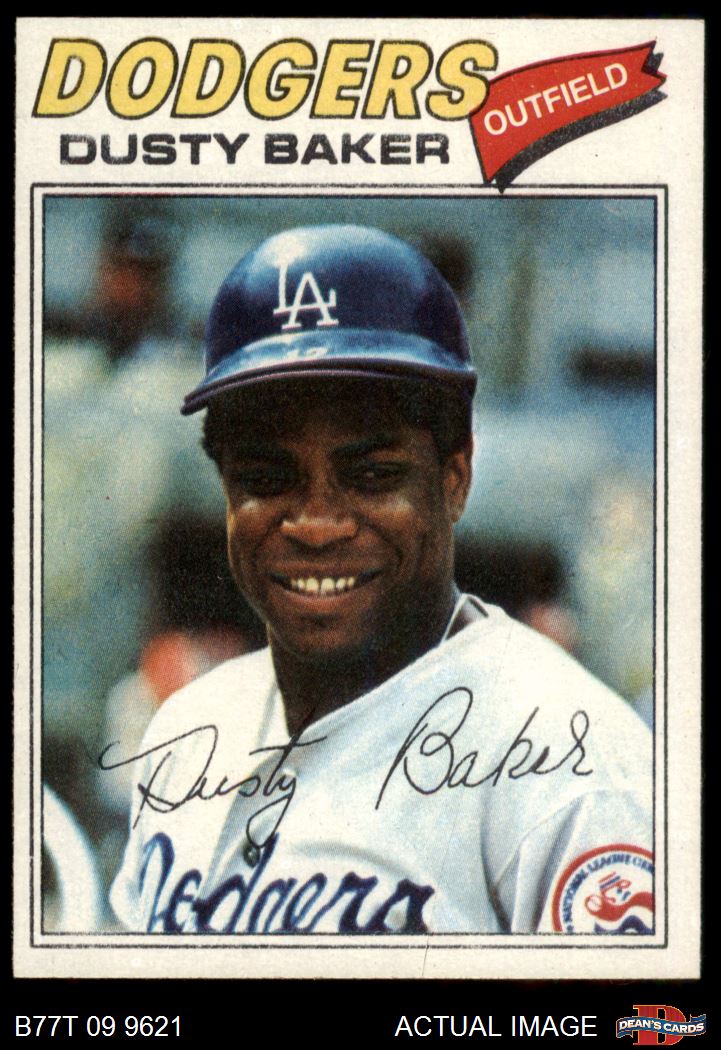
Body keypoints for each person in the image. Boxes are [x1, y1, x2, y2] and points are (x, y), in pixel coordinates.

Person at [109, 225, 653, 936]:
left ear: (454, 479)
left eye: (371, 475)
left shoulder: (571, 762)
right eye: (266, 477)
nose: (316, 523)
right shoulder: (191, 724)